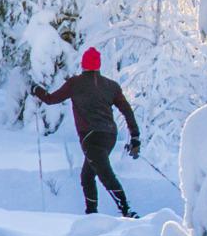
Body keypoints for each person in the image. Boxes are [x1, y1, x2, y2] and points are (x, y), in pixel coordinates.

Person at [33, 48, 141, 217]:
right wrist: (135, 137)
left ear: (83, 64)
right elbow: (127, 111)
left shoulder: (75, 83)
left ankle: (127, 211)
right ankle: (91, 215)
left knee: (105, 175)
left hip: (91, 138)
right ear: (98, 65)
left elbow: (50, 99)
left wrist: (35, 89)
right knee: (87, 176)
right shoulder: (112, 86)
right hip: (109, 136)